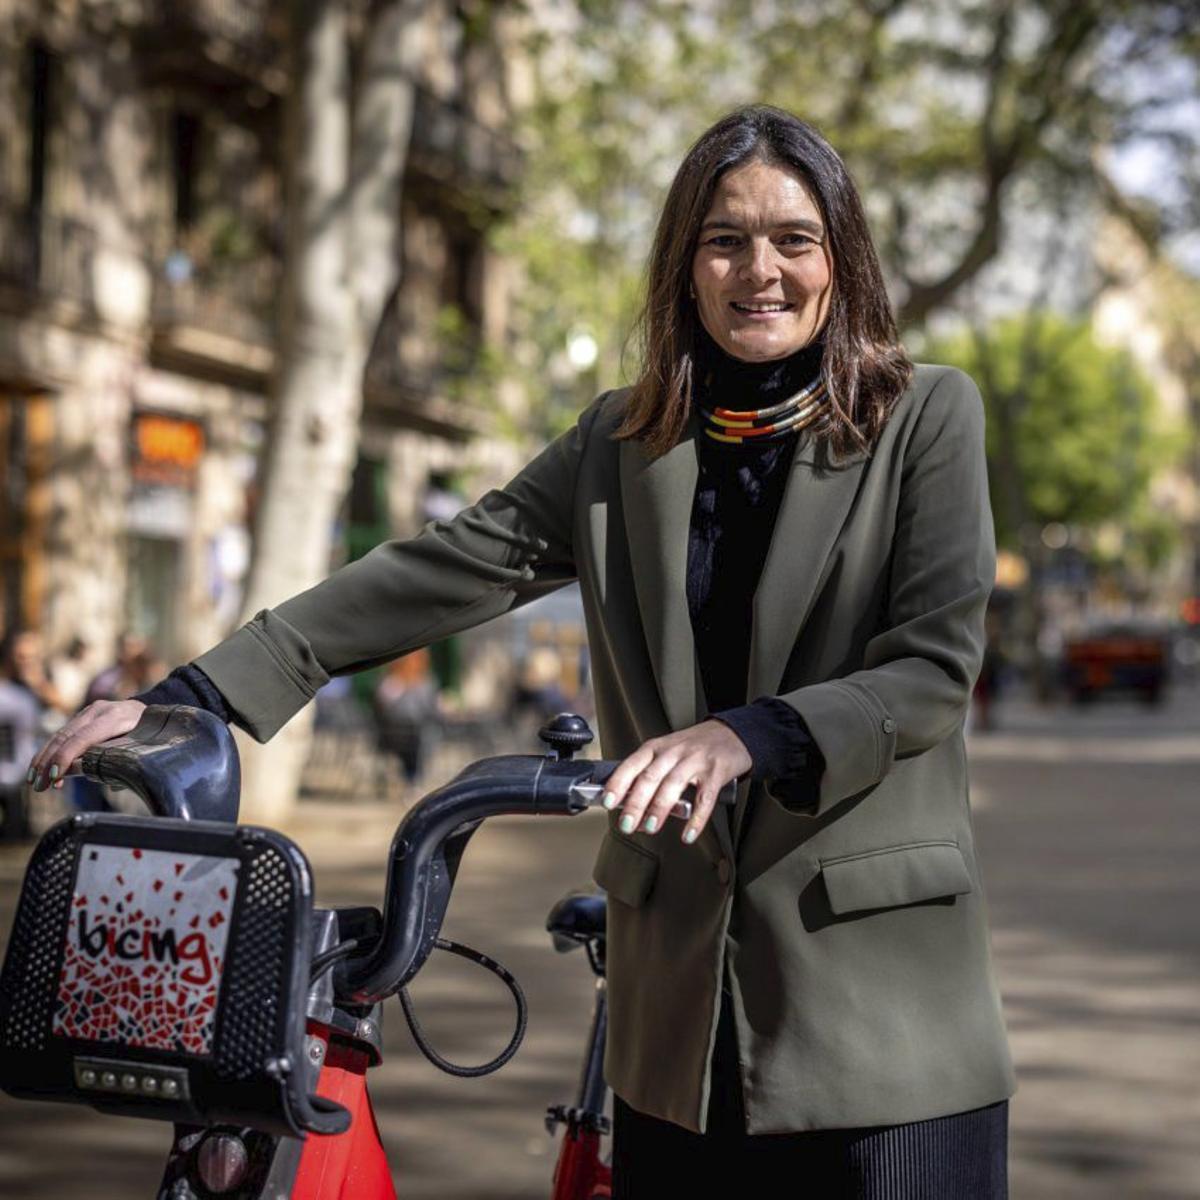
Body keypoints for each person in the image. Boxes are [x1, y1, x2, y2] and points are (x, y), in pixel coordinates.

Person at [27, 104, 1015, 1195]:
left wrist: (750, 736)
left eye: (794, 239)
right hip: (677, 1023)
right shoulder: (621, 441)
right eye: (725, 240)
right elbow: (451, 564)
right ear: (685, 267)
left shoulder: (925, 415)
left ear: (842, 260)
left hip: (885, 1017)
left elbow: (930, 667)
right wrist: (200, 692)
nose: (760, 271)